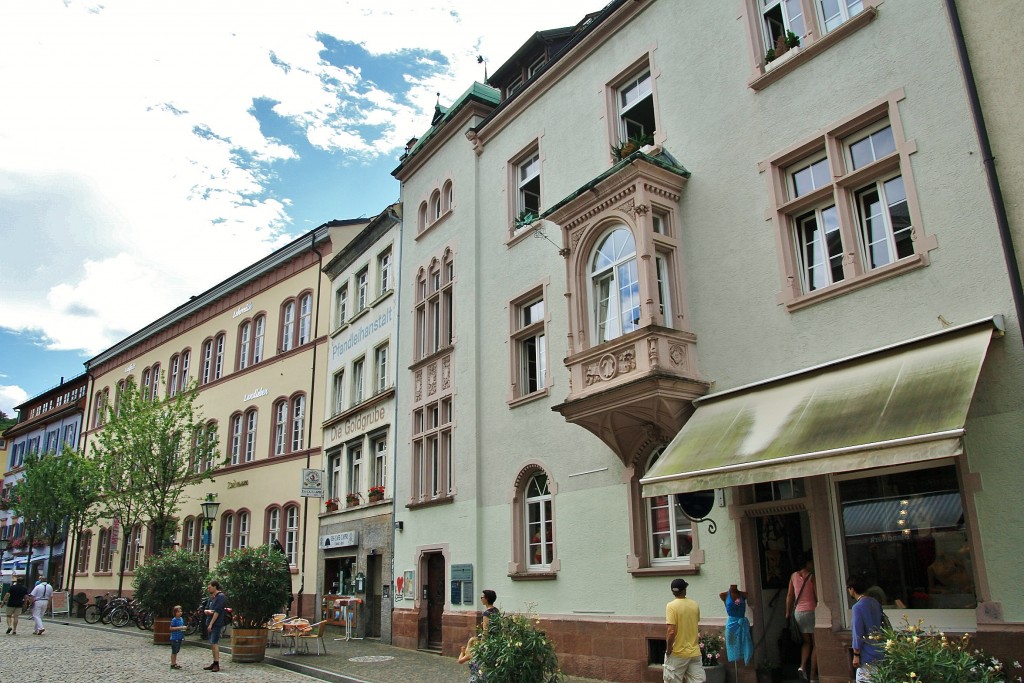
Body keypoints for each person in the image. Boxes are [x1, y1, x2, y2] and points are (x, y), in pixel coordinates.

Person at [664, 578, 704, 683]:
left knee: (672, 680)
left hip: (677, 653)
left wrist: (668, 650)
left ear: (672, 591)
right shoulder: (694, 604)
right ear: (685, 589)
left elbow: (671, 632)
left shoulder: (671, 606)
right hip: (694, 652)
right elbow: (695, 624)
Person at [786, 552, 817, 682]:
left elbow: (789, 595)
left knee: (806, 642)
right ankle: (812, 675)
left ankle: (802, 667)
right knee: (816, 644)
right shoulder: (811, 576)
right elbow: (817, 595)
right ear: (808, 562)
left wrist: (787, 612)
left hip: (798, 613)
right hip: (811, 611)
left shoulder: (793, 576)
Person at [847, 576, 884, 681]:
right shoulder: (875, 603)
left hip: (867, 653)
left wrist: (856, 654)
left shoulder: (857, 607)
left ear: (852, 589)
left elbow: (858, 633)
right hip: (880, 650)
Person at [720, 584, 752, 665]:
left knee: (744, 642)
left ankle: (745, 659)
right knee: (732, 645)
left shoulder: (744, 594)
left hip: (742, 624)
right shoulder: (724, 595)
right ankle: (735, 664)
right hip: (731, 626)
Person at [203, 580, 227, 672]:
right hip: (209, 621)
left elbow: (217, 611)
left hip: (216, 624)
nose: (208, 589)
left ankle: (217, 663)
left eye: (209, 587)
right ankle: (214, 662)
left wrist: (211, 624)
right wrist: (207, 611)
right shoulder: (212, 597)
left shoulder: (220, 597)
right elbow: (207, 608)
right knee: (212, 644)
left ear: (215, 587)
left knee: (214, 643)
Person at [170, 605, 186, 670]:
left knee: (176, 651)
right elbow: (171, 628)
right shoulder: (174, 620)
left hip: (179, 637)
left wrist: (183, 630)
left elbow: (181, 628)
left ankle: (174, 663)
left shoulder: (181, 619)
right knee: (174, 651)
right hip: (174, 638)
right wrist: (180, 628)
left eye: (181, 611)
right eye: (178, 611)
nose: (180, 613)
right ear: (175, 613)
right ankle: (172, 663)